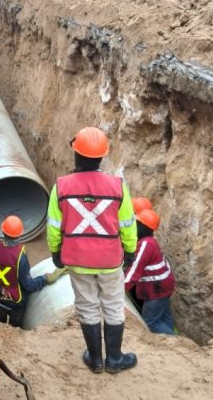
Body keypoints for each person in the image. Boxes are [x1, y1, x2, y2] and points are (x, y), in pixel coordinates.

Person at [47, 127, 138, 374]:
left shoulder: (61, 187)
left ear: (75, 154)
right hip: (109, 260)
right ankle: (115, 359)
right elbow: (128, 225)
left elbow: (54, 226)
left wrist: (56, 252)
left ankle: (95, 359)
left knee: (87, 306)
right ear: (102, 157)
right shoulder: (117, 187)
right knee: (113, 305)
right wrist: (129, 251)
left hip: (77, 260)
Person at [0, 216, 50, 327]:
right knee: (15, 329)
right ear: (19, 235)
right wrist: (44, 279)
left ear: (2, 231)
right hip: (16, 303)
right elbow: (28, 285)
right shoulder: (20, 258)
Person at [124, 209, 177, 335]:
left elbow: (134, 270)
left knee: (151, 322)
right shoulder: (150, 242)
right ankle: (175, 340)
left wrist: (119, 289)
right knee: (164, 317)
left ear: (143, 227)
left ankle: (175, 342)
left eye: (137, 224)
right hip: (164, 286)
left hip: (156, 290)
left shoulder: (145, 244)